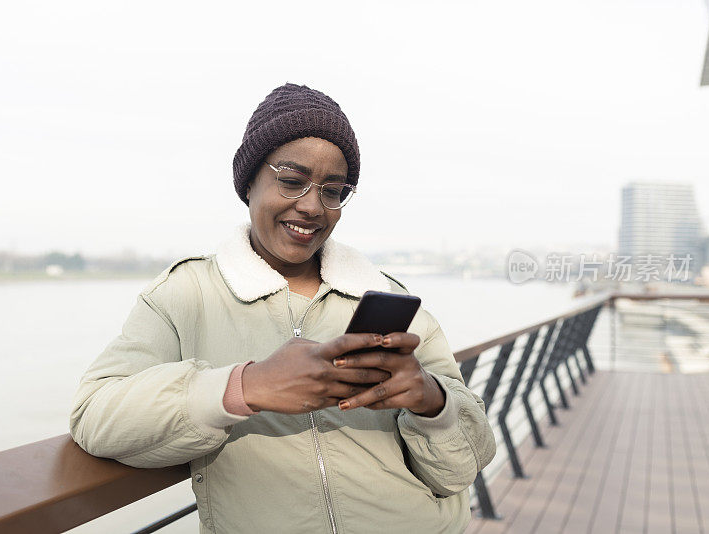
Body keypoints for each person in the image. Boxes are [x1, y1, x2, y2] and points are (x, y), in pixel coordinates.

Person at [69, 82, 496, 534]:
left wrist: (434, 402)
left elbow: (459, 471)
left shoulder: (390, 300)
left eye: (333, 191)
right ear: (249, 181)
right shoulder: (184, 294)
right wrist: (244, 387)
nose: (312, 206)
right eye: (291, 181)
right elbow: (95, 417)